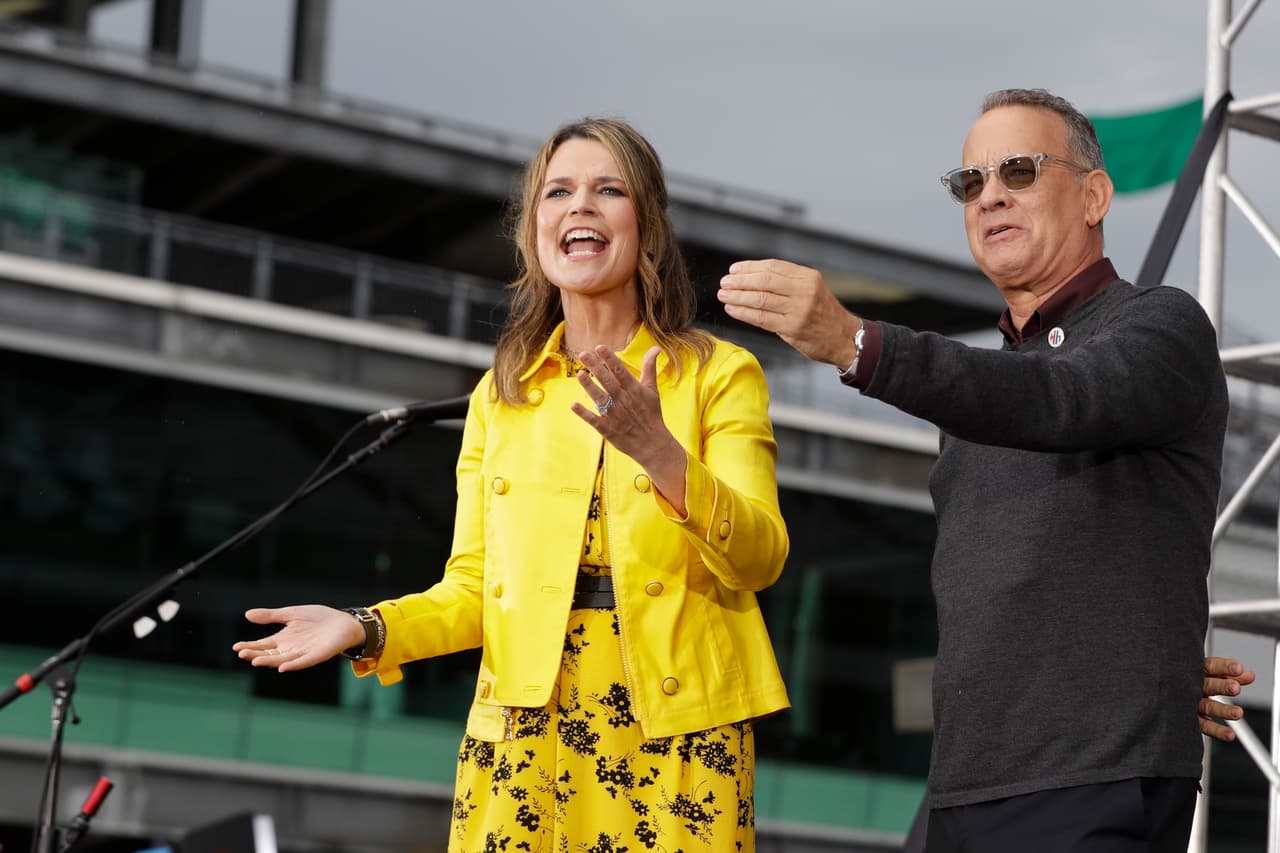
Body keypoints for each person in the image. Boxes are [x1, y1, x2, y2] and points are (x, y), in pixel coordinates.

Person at [234, 117, 791, 852]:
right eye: (558, 191)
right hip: (522, 731)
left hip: (677, 733)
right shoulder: (502, 396)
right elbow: (474, 589)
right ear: (535, 232)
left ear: (647, 227)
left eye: (608, 190)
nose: (580, 206)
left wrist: (662, 454)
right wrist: (365, 625)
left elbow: (760, 558)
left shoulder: (720, 373)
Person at [718, 88, 1233, 852]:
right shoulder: (982, 398)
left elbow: (1065, 399)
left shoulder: (1161, 325)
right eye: (970, 182)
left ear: (1094, 195)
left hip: (1089, 784)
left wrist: (858, 343)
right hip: (960, 791)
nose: (990, 194)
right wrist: (1143, 653)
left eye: (1019, 171)